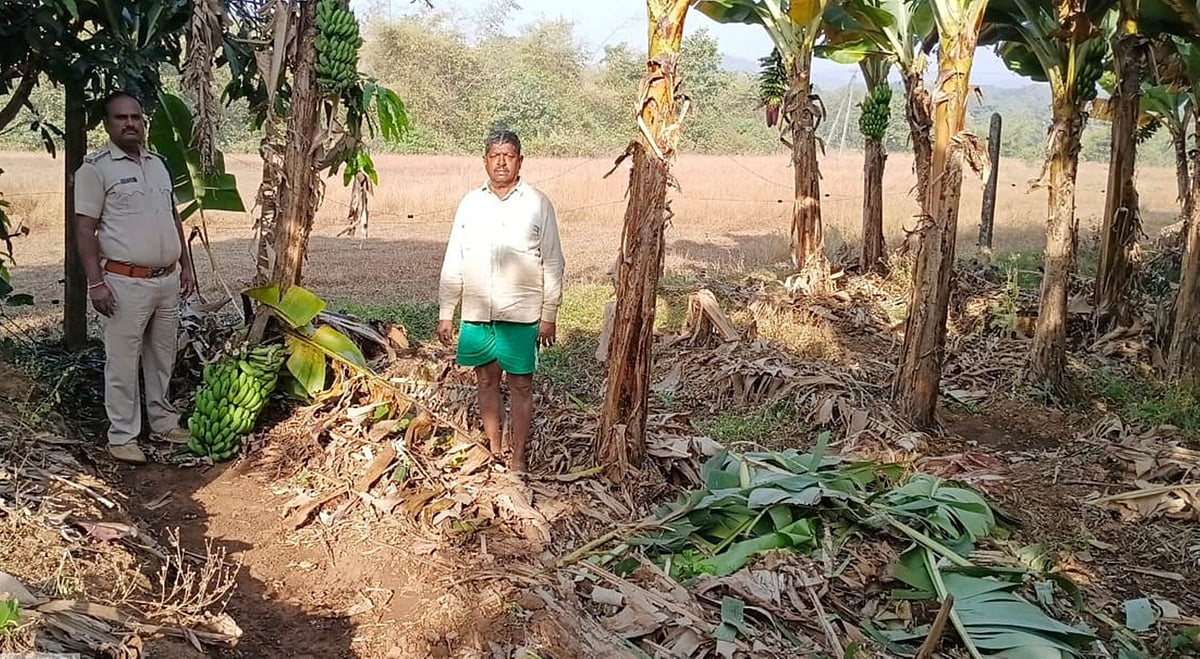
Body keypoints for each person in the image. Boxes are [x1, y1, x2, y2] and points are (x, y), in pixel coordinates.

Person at [74, 90, 197, 465]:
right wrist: (95, 283)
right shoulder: (95, 170)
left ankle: (162, 422)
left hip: (166, 281)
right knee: (122, 362)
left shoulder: (158, 165)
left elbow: (174, 218)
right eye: (120, 118)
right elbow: (84, 230)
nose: (129, 123)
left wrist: (187, 266)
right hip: (124, 283)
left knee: (162, 358)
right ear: (108, 124)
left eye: (135, 117)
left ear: (144, 121)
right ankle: (123, 437)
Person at [437, 129, 565, 473]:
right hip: (478, 312)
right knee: (485, 379)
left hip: (522, 313)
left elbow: (553, 260)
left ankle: (519, 457)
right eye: (495, 156)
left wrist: (548, 314)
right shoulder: (470, 203)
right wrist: (447, 311)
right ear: (485, 161)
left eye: (509, 156)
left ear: (520, 161)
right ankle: (494, 448)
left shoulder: (538, 203)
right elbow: (455, 257)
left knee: (521, 384)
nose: (501, 162)